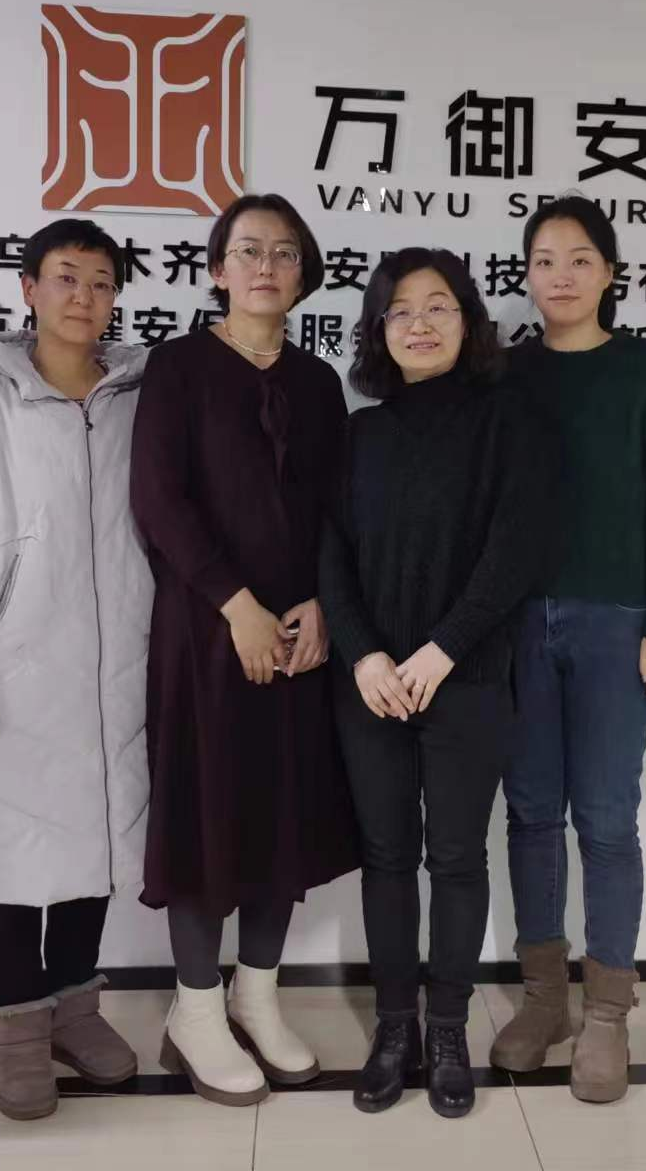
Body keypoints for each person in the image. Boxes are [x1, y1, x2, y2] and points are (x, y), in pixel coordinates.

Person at [0, 218, 151, 1121]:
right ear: (28, 289)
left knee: (96, 841)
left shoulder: (138, 398)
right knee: (12, 851)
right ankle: (17, 1024)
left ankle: (75, 1008)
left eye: (100, 281)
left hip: (118, 664)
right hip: (13, 668)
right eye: (65, 277)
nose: (83, 297)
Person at [131, 192, 358, 1106]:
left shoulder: (320, 383)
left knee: (284, 815)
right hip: (205, 633)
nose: (267, 266)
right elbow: (159, 499)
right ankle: (194, 1009)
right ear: (218, 269)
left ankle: (255, 998)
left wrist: (321, 604)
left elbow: (338, 508)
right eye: (249, 250)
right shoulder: (178, 366)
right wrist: (237, 606)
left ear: (305, 275)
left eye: (285, 252)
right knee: (205, 814)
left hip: (301, 638)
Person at [319, 249, 554, 1119]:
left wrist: (442, 650)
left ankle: (447, 1027)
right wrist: (365, 657)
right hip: (373, 683)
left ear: (468, 320)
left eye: (438, 306)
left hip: (469, 676)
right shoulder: (360, 435)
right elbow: (332, 555)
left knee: (456, 858)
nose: (419, 323)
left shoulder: (508, 422)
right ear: (379, 329)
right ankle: (395, 1028)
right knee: (386, 858)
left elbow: (516, 549)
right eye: (401, 310)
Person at [492, 195, 646, 1104]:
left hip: (620, 619)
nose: (561, 276)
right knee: (531, 811)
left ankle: (607, 1012)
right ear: (527, 275)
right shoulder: (505, 373)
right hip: (519, 620)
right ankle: (545, 999)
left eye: (579, 259)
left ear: (610, 273)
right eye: (544, 260)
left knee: (606, 818)